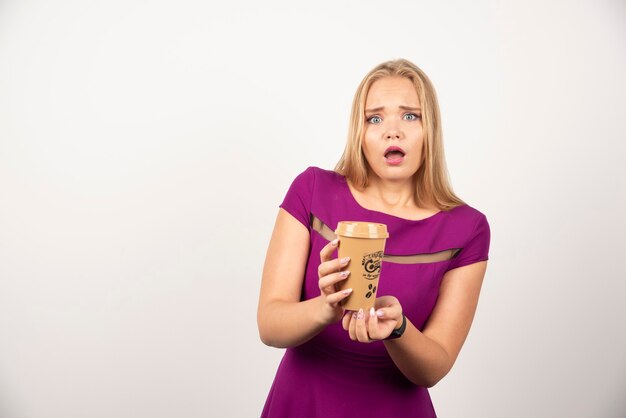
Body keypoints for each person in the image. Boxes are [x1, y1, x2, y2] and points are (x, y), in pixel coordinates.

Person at [257, 58, 490, 417]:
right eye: (375, 118)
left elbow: (435, 366)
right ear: (360, 133)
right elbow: (270, 325)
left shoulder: (467, 229)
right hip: (303, 403)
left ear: (431, 130)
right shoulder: (312, 190)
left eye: (410, 116)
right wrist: (325, 308)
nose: (392, 131)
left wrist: (397, 329)